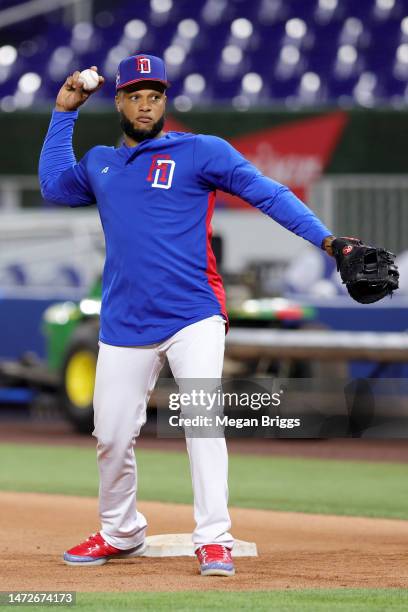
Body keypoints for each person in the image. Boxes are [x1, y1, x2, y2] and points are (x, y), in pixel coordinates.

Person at [39, 54, 335, 577]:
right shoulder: (102, 164)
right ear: (120, 101)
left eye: (155, 95)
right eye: (136, 94)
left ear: (164, 102)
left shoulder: (200, 151)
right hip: (124, 321)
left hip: (193, 312)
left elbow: (270, 194)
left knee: (201, 420)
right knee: (110, 434)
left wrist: (329, 241)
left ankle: (214, 538)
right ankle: (120, 531)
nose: (147, 103)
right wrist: (64, 113)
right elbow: (53, 187)